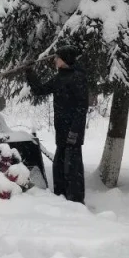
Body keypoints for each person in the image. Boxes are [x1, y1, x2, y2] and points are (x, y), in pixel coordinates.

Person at [26, 45, 89, 203]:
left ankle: (75, 201)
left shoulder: (78, 77)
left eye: (57, 57)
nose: (54, 60)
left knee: (72, 168)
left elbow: (82, 107)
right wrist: (29, 72)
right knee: (59, 167)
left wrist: (74, 131)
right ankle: (61, 198)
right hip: (61, 130)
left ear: (65, 59)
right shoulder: (60, 77)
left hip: (73, 132)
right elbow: (39, 89)